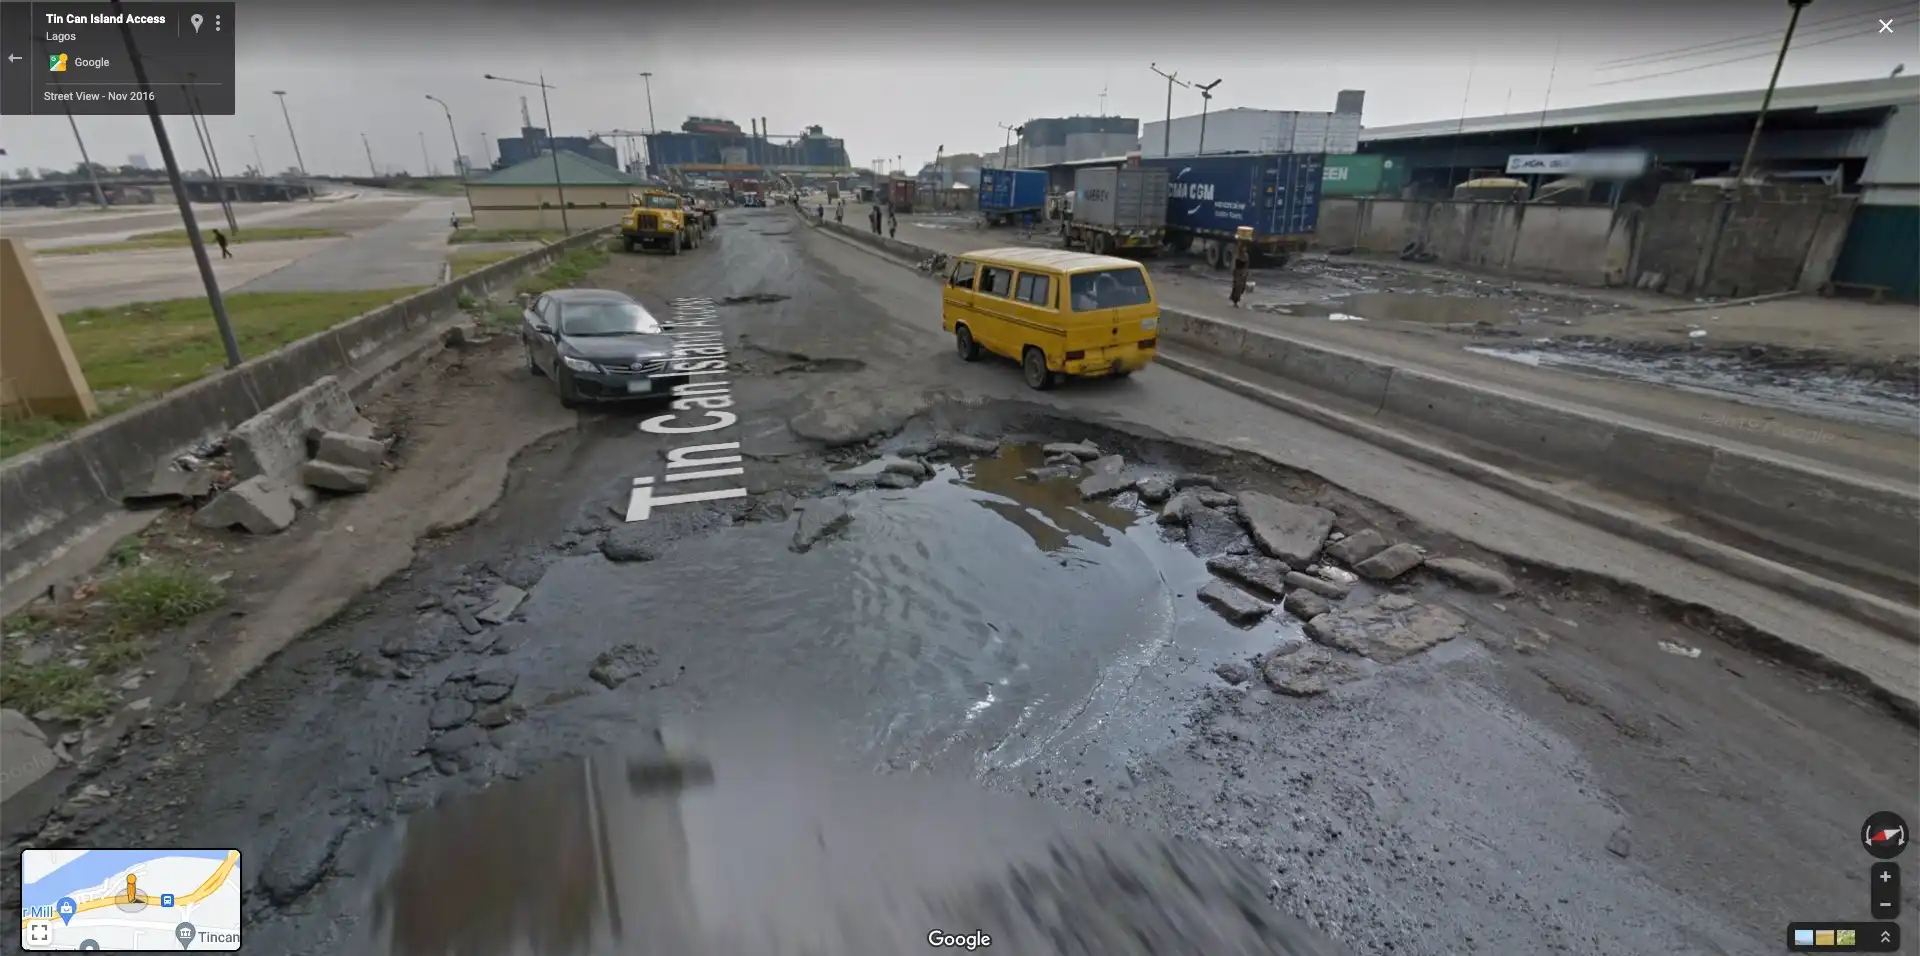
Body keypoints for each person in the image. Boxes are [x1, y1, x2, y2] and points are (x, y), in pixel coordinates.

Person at [1229, 226, 1253, 308]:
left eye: (1246, 248)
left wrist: (1246, 273)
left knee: (1242, 288)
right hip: (1237, 272)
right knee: (1237, 287)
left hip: (1243, 273)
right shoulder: (1237, 254)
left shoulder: (1246, 255)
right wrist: (1233, 271)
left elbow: (1247, 265)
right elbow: (1233, 263)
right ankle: (1235, 301)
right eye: (1244, 248)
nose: (1245, 249)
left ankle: (1236, 300)